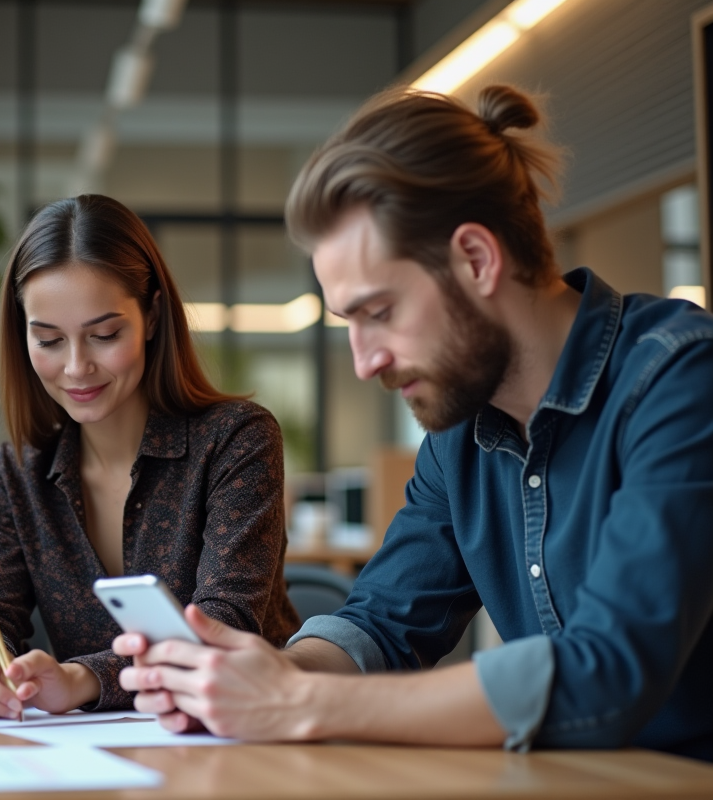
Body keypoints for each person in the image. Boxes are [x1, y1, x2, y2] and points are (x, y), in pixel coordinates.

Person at [115, 85, 713, 761]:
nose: (364, 363)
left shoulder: (680, 378)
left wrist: (302, 703)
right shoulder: (458, 437)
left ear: (477, 259)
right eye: (349, 323)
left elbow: (609, 672)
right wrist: (269, 674)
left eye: (379, 312)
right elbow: (382, 624)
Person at [0, 194, 300, 719]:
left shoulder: (236, 441)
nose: (76, 367)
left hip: (239, 736)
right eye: (48, 340)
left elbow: (224, 627)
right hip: (94, 759)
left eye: (104, 335)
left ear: (151, 316)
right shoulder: (19, 470)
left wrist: (82, 678)